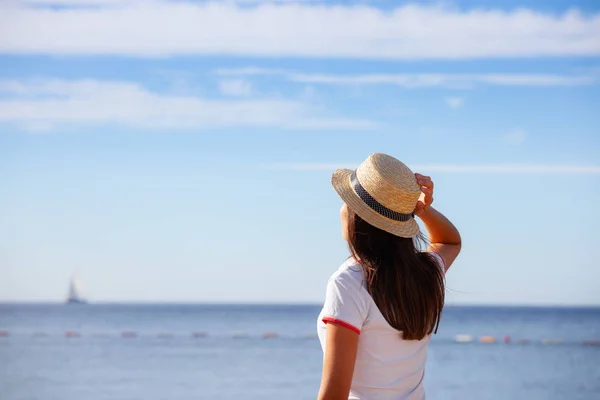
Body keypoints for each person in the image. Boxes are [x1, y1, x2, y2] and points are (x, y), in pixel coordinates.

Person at [317, 153, 461, 400]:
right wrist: (423, 211)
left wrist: (419, 208)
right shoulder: (423, 272)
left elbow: (334, 395)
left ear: (358, 215)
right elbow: (449, 241)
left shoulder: (349, 283)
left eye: (346, 200)